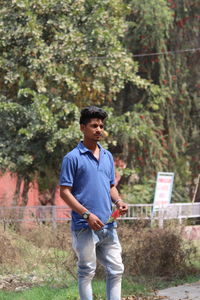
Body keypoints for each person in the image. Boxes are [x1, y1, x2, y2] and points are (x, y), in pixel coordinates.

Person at [59, 106, 128, 300]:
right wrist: (86, 214)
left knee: (116, 269)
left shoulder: (107, 156)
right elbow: (64, 192)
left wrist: (119, 201)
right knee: (86, 270)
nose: (98, 129)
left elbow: (110, 186)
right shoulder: (72, 158)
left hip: (108, 224)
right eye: (94, 125)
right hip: (84, 225)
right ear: (82, 128)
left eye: (101, 126)